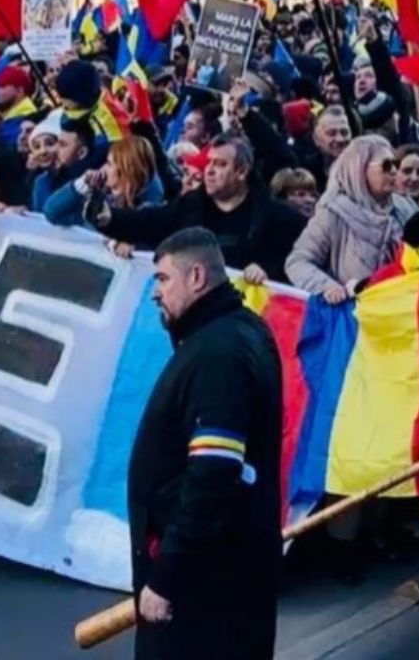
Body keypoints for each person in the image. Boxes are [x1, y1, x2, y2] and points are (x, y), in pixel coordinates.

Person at [127, 228, 283, 660]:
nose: (155, 292)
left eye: (163, 279)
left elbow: (214, 473)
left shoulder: (218, 355)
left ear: (196, 277)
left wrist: (167, 575)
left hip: (205, 588)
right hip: (227, 574)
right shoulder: (240, 331)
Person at [91, 135, 306, 283]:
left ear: (242, 171)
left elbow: (306, 257)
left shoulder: (277, 217)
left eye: (220, 164)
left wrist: (268, 270)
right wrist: (110, 218)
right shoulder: (191, 205)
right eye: (209, 163)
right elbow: (150, 222)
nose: (209, 171)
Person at [286, 135, 416, 304]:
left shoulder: (406, 207)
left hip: (402, 308)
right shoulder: (333, 211)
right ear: (359, 170)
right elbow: (297, 262)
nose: (393, 171)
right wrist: (327, 287)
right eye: (386, 165)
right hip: (353, 312)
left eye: (396, 164)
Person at [45, 135, 162, 227]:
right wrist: (80, 185)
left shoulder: (148, 211)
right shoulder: (95, 201)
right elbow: (52, 212)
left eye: (109, 164)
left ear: (126, 170)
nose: (103, 168)